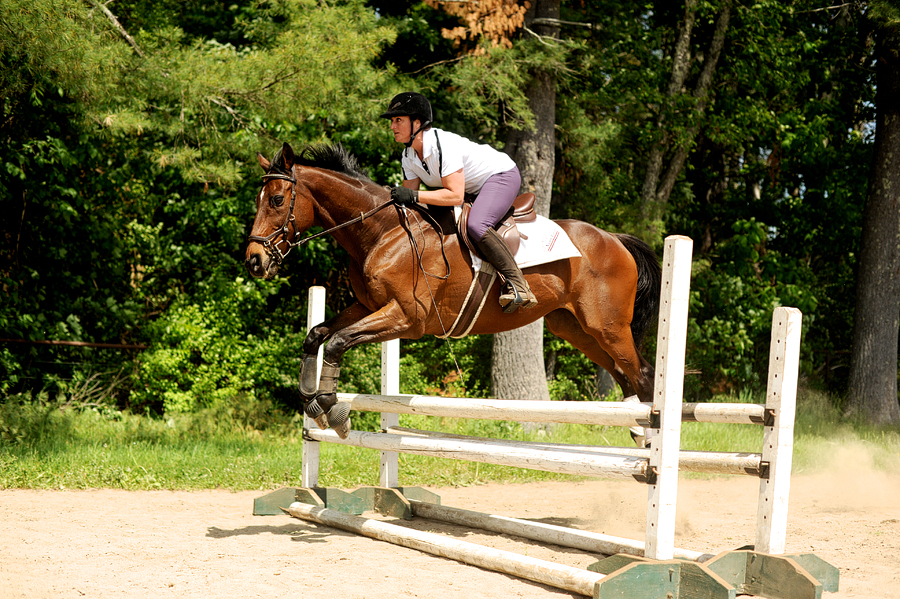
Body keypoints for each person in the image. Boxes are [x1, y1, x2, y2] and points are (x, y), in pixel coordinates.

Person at [380, 92, 537, 313]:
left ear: (417, 122)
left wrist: (413, 196)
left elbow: (454, 196)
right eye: (392, 121)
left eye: (398, 120)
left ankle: (519, 284)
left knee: (476, 224)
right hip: (473, 188)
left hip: (500, 175)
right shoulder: (409, 155)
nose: (392, 126)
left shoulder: (443, 145)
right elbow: (410, 200)